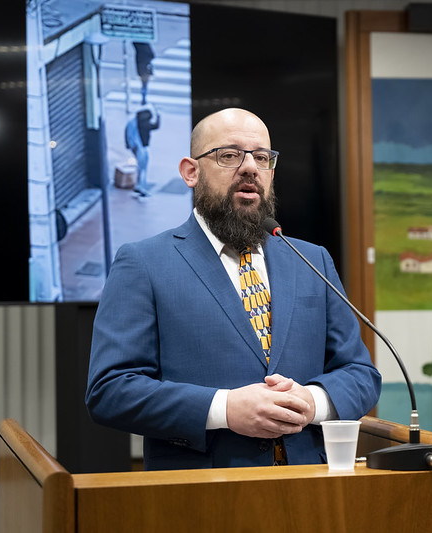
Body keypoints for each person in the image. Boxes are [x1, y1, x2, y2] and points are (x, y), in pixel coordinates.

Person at [86, 108, 381, 470]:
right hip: (202, 490)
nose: (250, 168)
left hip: (310, 485)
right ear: (190, 172)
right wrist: (224, 409)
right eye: (229, 155)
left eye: (262, 158)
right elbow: (110, 390)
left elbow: (360, 374)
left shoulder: (311, 260)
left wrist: (312, 401)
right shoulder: (143, 263)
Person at [124, 104, 160, 197]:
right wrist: (158, 116)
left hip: (135, 147)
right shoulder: (144, 124)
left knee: (140, 167)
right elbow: (155, 126)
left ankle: (138, 185)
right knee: (143, 168)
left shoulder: (134, 122)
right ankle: (141, 188)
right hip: (142, 148)